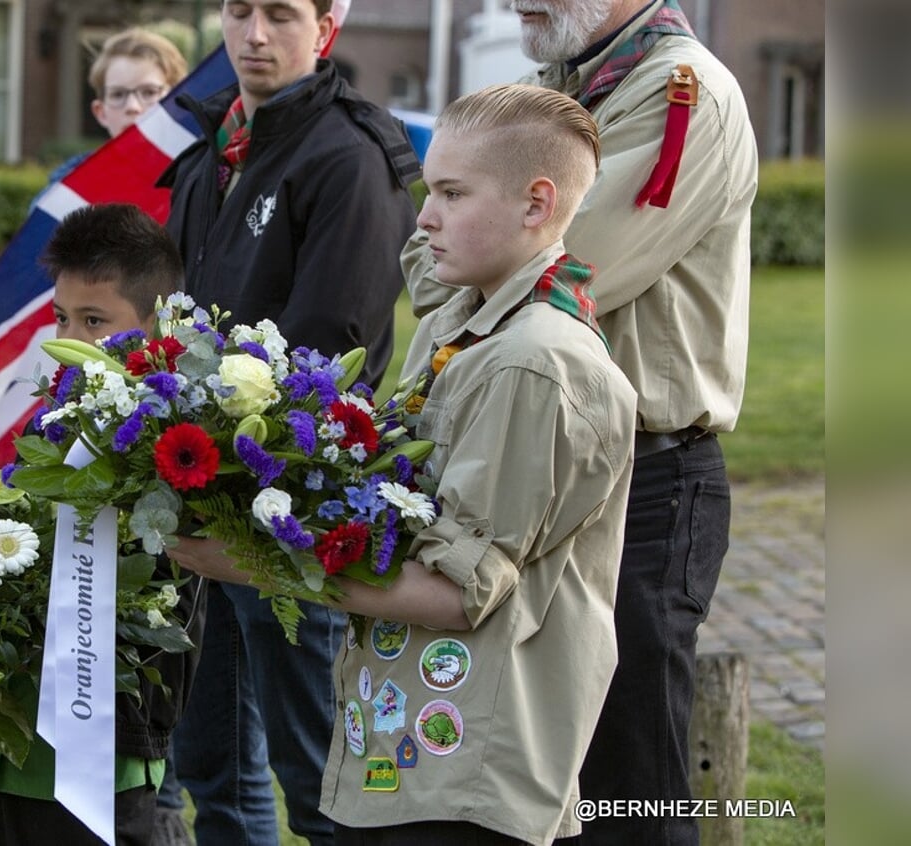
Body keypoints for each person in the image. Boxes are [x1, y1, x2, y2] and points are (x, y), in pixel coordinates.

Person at [169, 82, 639, 846]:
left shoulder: (533, 363)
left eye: (452, 194)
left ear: (536, 204)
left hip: (470, 774)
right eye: (431, 189)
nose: (424, 218)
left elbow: (460, 594)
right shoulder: (468, 317)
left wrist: (248, 561)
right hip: (406, 749)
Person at [404, 4, 758, 842]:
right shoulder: (554, 91)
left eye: (453, 194)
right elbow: (445, 265)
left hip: (641, 477)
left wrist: (479, 257)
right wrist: (476, 246)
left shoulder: (683, 94)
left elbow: (561, 265)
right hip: (530, 460)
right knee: (526, 771)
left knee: (628, 787)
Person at [157, 1, 421, 842]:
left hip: (291, 508)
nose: (256, 33)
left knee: (320, 776)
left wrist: (236, 468)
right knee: (213, 762)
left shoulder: (348, 155)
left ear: (327, 25)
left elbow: (331, 345)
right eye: (240, 10)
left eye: (280, 12)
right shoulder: (212, 150)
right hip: (200, 495)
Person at [0, 203, 205, 846]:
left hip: (109, 731)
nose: (71, 337)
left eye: (95, 321)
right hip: (14, 721)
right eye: (61, 318)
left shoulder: (182, 436)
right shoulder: (55, 414)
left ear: (159, 324)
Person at [38, 28, 186, 202]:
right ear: (100, 112)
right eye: (118, 94)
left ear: (177, 103)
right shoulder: (70, 187)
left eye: (149, 92)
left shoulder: (202, 176)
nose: (133, 106)